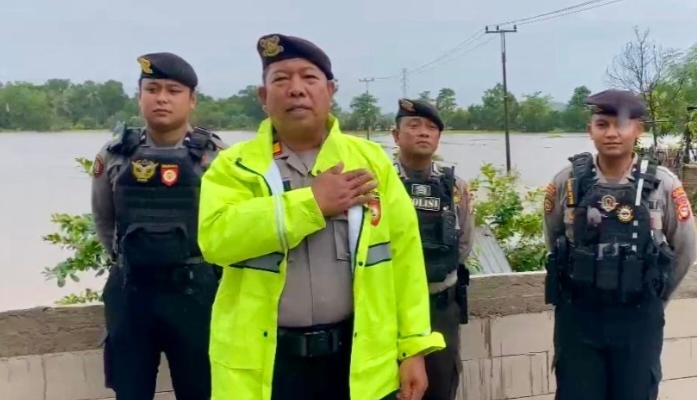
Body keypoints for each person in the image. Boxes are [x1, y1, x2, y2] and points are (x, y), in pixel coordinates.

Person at [197, 33, 445, 400]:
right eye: (281, 79)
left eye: (309, 78)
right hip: (267, 366)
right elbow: (215, 240)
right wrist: (311, 204)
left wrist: (413, 347)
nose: (296, 89)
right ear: (263, 97)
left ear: (330, 91)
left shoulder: (371, 162)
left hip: (355, 361)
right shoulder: (235, 166)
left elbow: (405, 258)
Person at [543, 89, 697, 400]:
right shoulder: (567, 182)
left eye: (622, 125)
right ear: (590, 130)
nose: (612, 133)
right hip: (579, 318)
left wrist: (654, 297)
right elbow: (554, 238)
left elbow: (685, 251)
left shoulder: (663, 184)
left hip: (637, 319)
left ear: (638, 130)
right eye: (602, 124)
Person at [91, 52, 226, 400]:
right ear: (139, 97)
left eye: (173, 90)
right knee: (130, 390)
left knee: (202, 390)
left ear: (192, 100)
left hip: (196, 294)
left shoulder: (217, 157)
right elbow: (104, 221)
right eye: (152, 89)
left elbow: (231, 228)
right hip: (132, 293)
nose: (162, 98)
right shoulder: (115, 153)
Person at [391, 98, 475, 400]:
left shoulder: (455, 186)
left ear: (438, 138)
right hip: (389, 309)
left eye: (431, 128)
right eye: (413, 126)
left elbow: (463, 243)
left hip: (439, 306)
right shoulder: (379, 181)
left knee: (440, 386)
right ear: (396, 135)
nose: (423, 132)